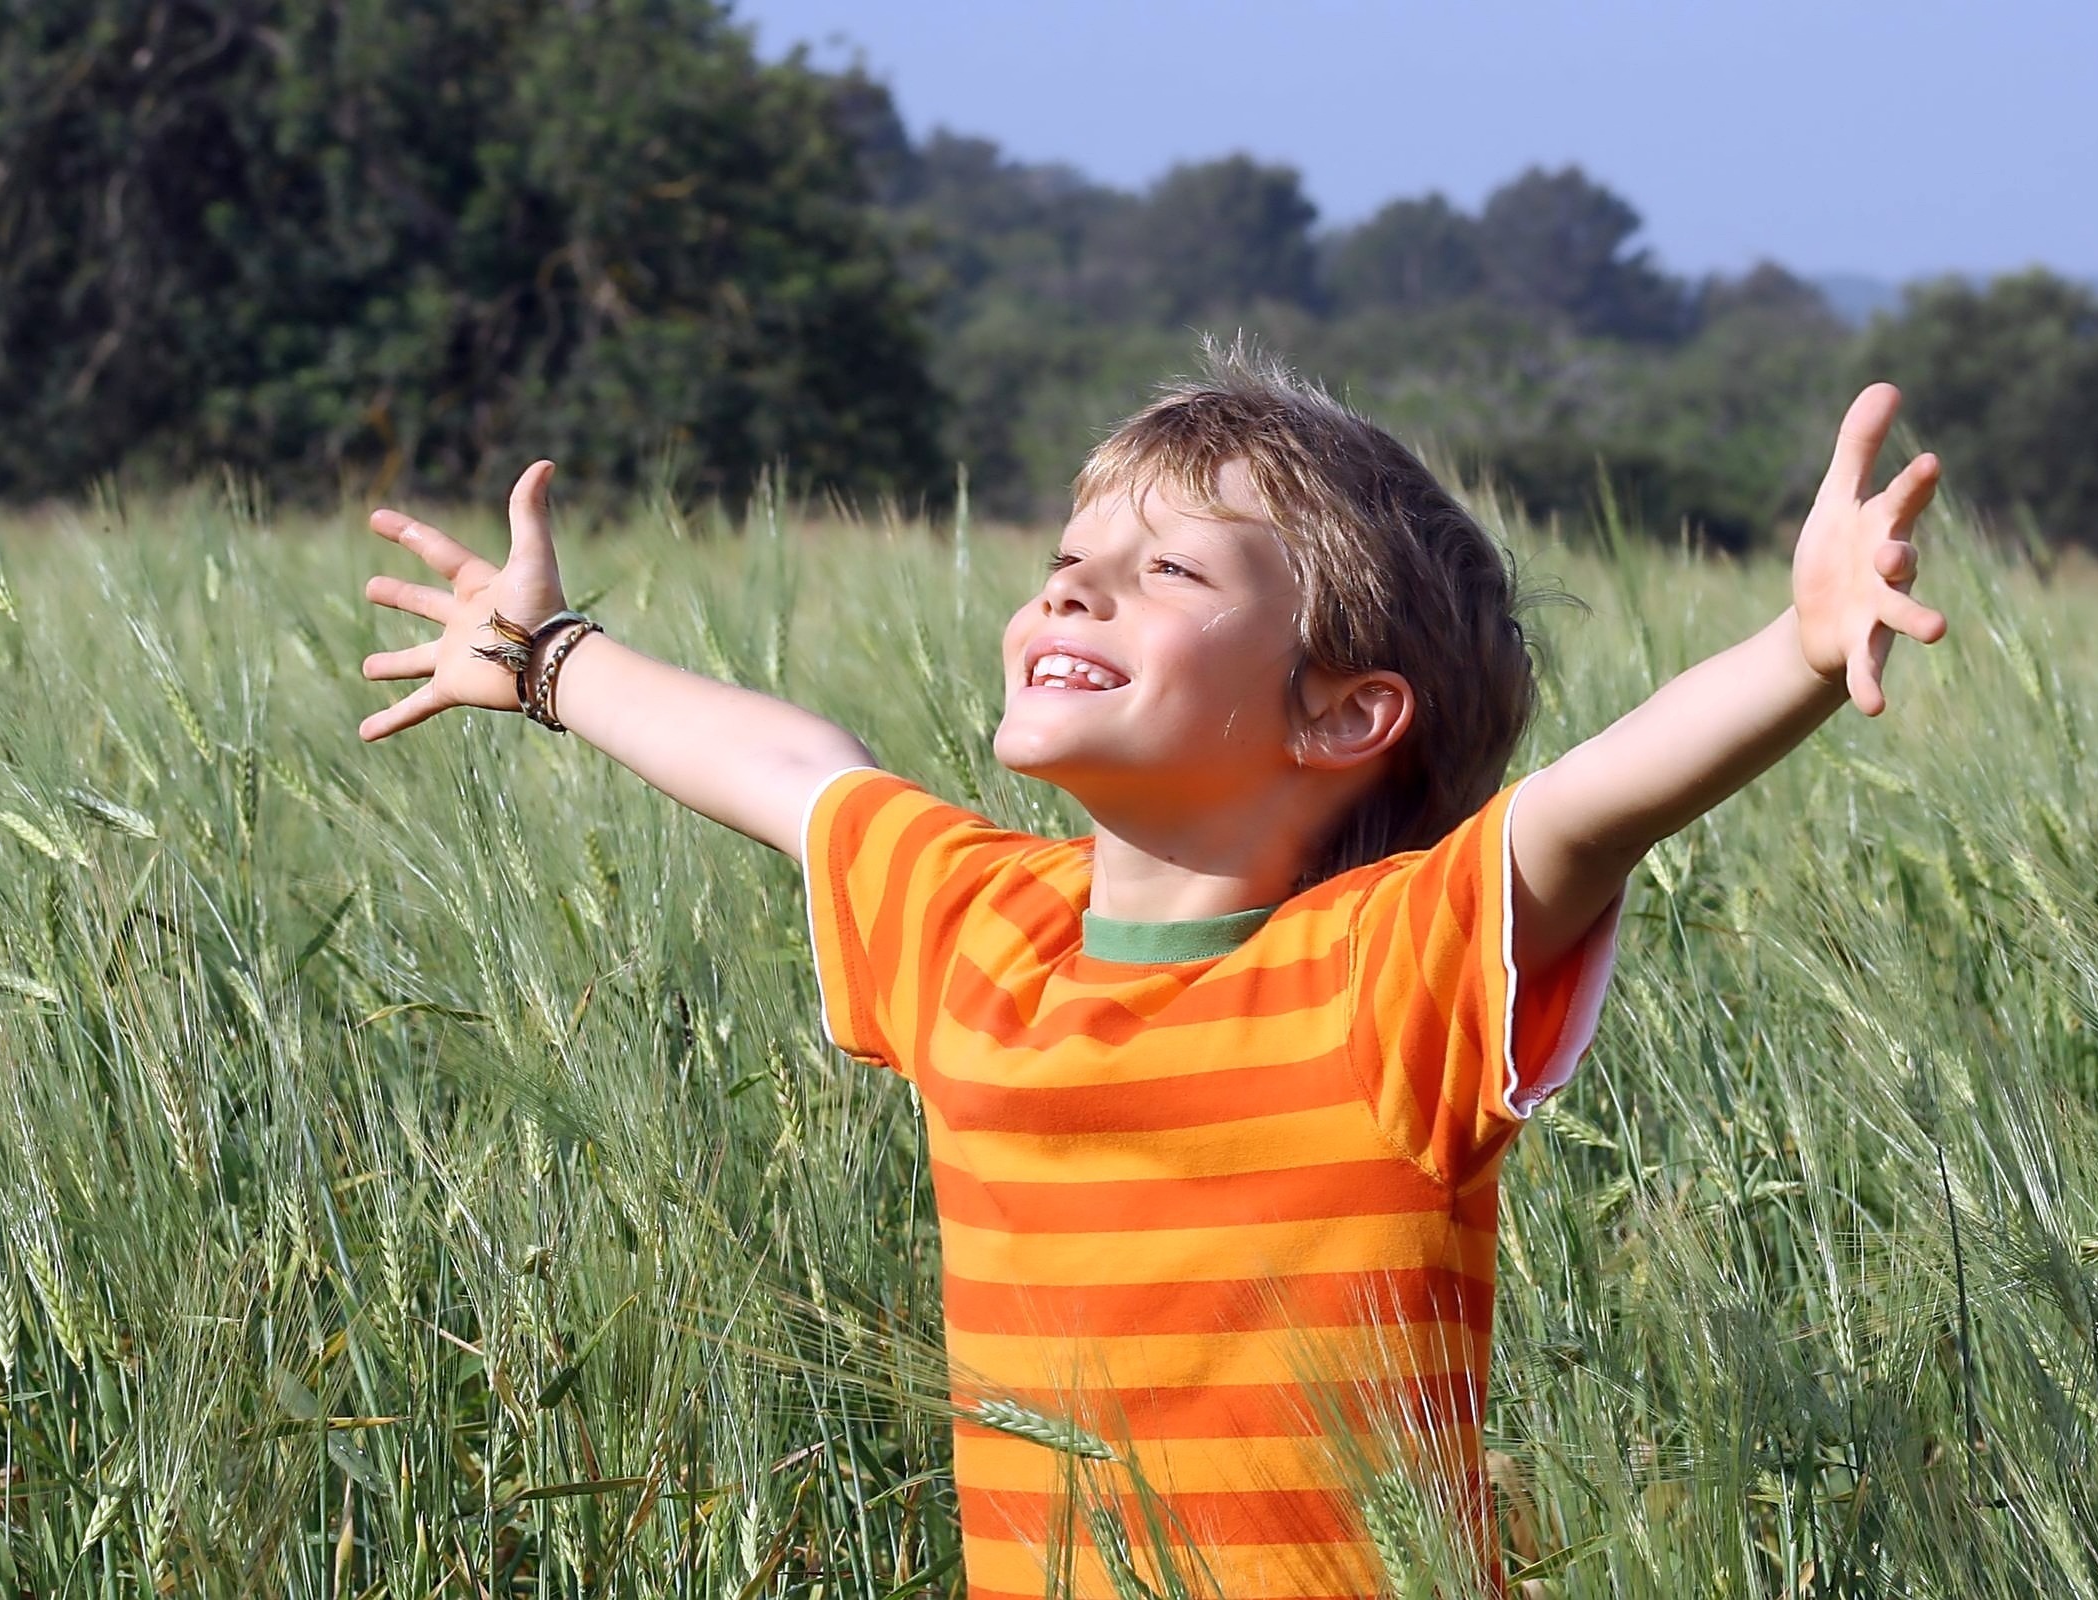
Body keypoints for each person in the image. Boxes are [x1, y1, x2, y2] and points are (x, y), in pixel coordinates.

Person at [354, 344, 1944, 1598]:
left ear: (1341, 716)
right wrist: (550, 662)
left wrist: (1798, 653)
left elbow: (1591, 809)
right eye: (1069, 558)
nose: (1070, 587)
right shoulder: (982, 928)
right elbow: (791, 769)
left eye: (1173, 574)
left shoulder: (1390, 971)